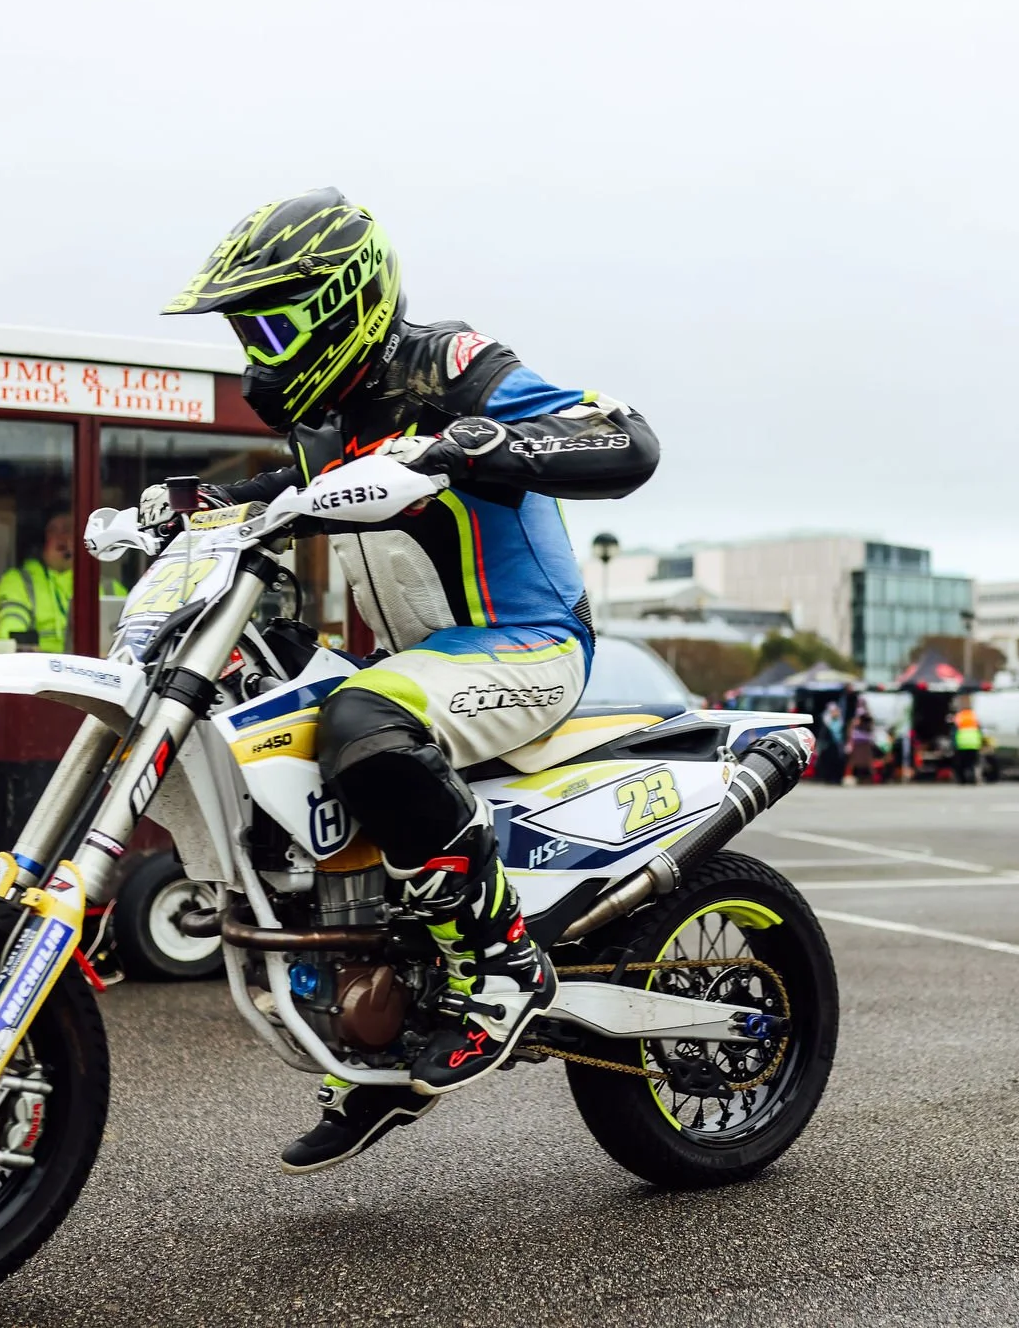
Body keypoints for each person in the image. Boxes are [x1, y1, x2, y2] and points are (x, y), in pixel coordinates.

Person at [149, 188, 658, 1171]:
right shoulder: (320, 419)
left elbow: (622, 440)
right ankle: (385, 1022)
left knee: (360, 722)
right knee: (282, 722)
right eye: (244, 329)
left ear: (338, 302)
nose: (256, 353)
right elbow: (282, 498)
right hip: (423, 661)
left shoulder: (452, 365)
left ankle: (502, 962)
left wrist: (482, 441)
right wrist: (193, 505)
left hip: (526, 642)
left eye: (269, 323)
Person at [0, 509, 122, 653]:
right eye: (53, 531)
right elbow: (10, 629)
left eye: (68, 530)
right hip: (41, 669)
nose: (61, 537)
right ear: (41, 540)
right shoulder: (19, 581)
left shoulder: (110, 587)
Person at [953, 702, 983, 784]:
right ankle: (973, 779)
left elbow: (954, 731)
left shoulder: (959, 716)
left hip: (961, 744)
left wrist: (954, 744)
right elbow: (979, 730)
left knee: (961, 764)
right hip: (973, 744)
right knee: (972, 763)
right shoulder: (974, 716)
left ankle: (962, 780)